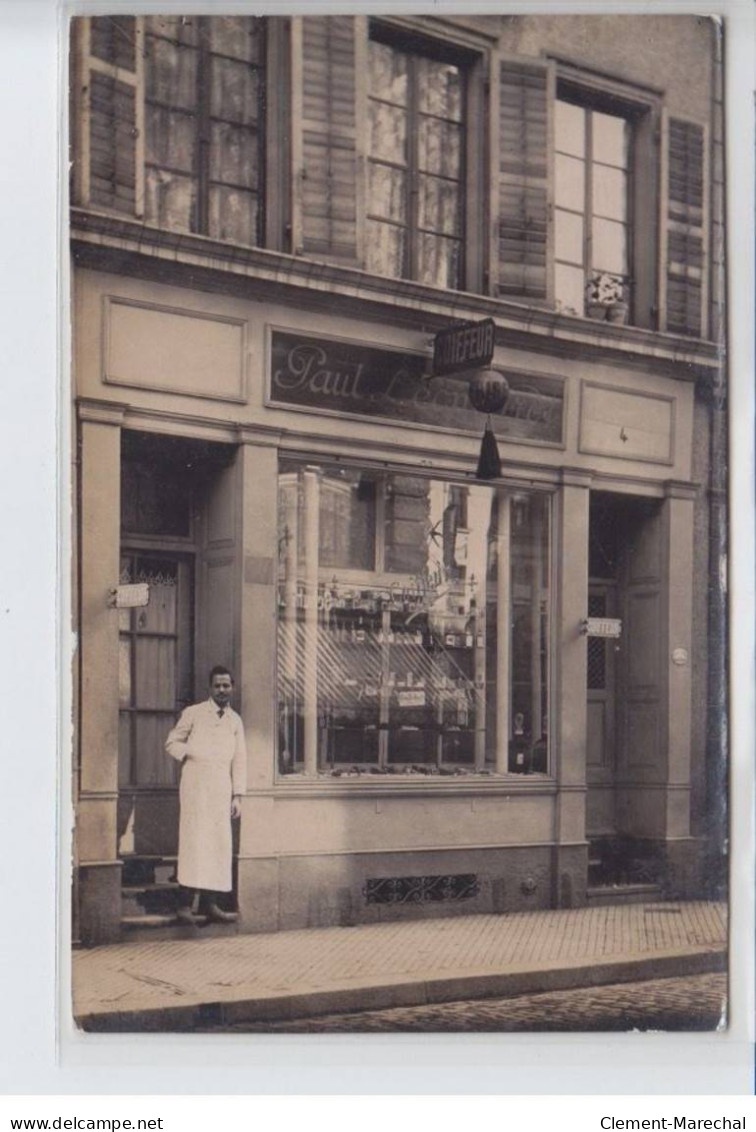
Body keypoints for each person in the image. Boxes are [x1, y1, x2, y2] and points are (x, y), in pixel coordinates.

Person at [165, 665, 247, 924]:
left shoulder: (235, 720)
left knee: (218, 844)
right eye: (217, 685)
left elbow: (240, 759)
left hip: (221, 787)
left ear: (232, 687)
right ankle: (184, 905)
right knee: (194, 842)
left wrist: (238, 796)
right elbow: (171, 742)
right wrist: (192, 752)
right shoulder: (194, 713)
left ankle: (210, 904)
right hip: (196, 785)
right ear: (209, 688)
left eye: (226, 685)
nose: (222, 690)